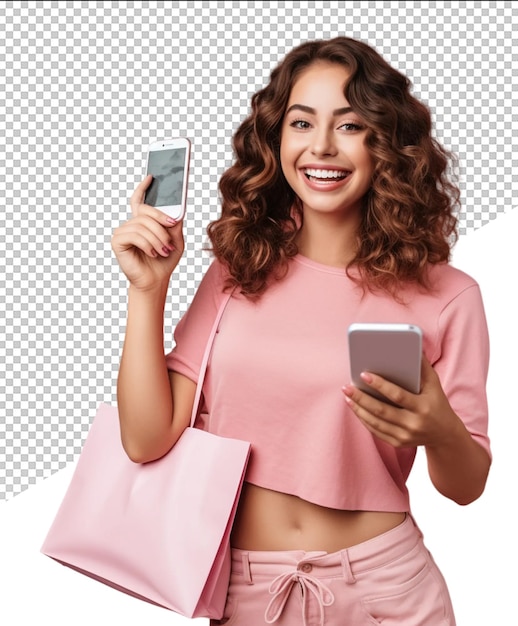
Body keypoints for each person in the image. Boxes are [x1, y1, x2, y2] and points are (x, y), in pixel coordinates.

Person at [111, 36, 491, 626]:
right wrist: (147, 290)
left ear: (386, 142)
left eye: (349, 126)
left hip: (385, 589)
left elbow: (466, 486)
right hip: (247, 593)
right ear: (276, 138)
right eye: (301, 122)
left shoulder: (448, 296)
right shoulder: (238, 271)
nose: (320, 147)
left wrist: (441, 431)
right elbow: (146, 439)